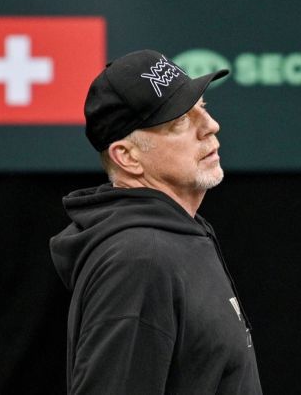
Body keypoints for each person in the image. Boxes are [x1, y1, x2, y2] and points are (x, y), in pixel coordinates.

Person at [49, 49, 262, 394]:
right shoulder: (139, 261)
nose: (210, 126)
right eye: (180, 120)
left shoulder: (182, 235)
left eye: (202, 109)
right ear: (128, 157)